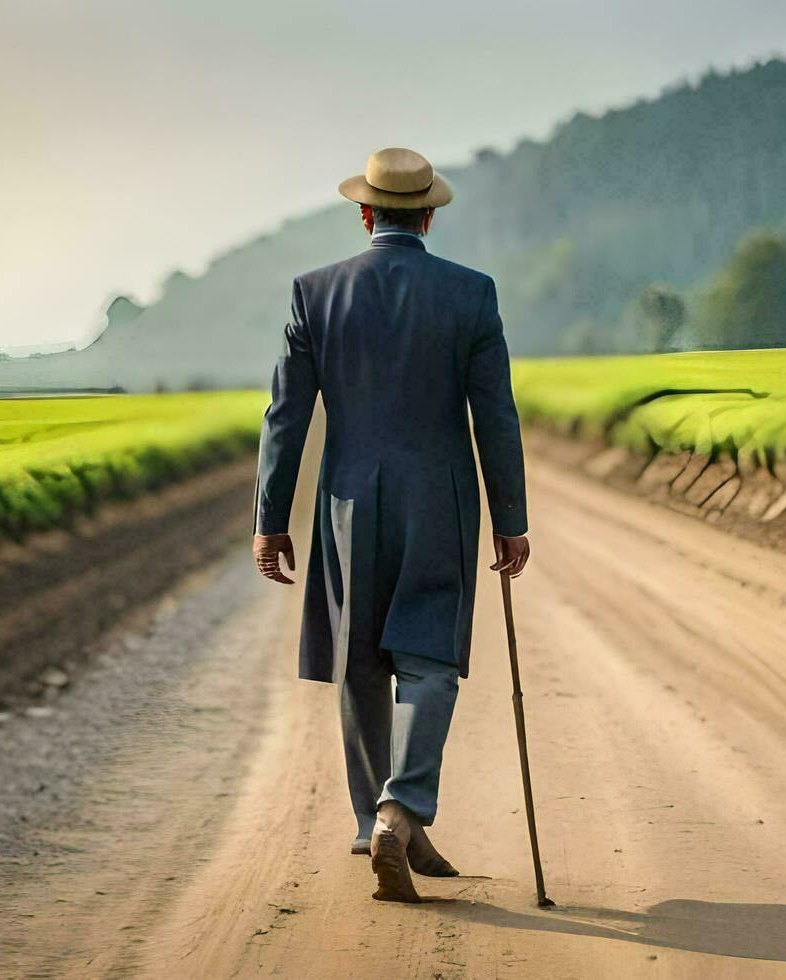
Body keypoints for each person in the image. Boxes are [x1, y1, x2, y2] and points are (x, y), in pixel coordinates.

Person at [252, 147, 529, 903]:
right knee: (430, 658)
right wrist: (511, 519)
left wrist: (270, 520)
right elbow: (494, 416)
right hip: (438, 500)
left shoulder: (317, 293)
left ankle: (373, 815)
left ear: (365, 213)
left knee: (359, 662)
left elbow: (286, 416)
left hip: (344, 501)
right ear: (430, 215)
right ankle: (401, 808)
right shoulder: (471, 294)